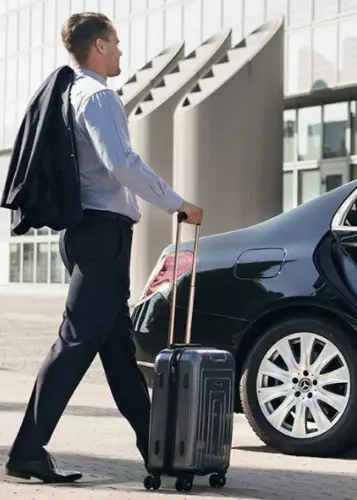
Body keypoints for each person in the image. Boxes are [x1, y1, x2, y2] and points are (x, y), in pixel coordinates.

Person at [4, 12, 203, 483]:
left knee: (116, 348)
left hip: (89, 234)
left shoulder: (71, 93)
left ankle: (157, 449)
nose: (120, 51)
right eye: (115, 43)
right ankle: (27, 451)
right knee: (73, 343)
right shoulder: (97, 96)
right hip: (102, 235)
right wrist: (177, 203)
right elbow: (122, 163)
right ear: (97, 46)